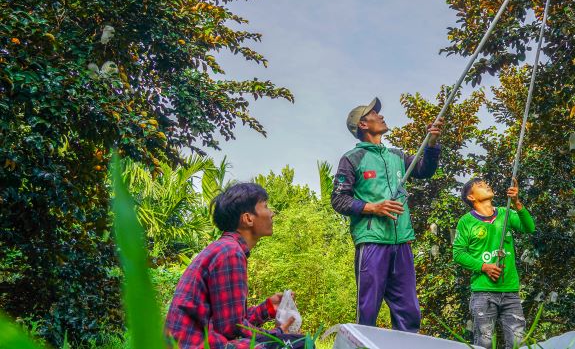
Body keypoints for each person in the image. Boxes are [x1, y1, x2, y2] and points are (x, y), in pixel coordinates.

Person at [330, 97, 442, 333]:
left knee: (408, 312)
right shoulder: (352, 159)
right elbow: (339, 199)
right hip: (372, 243)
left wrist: (431, 143)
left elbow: (425, 170)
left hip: (401, 242)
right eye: (374, 113)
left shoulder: (396, 156)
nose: (380, 116)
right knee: (368, 310)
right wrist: (374, 208)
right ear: (362, 124)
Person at [164, 183, 306, 349]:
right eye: (266, 206)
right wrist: (278, 334)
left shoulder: (225, 248)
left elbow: (231, 320)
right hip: (194, 345)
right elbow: (232, 329)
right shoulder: (230, 253)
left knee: (290, 341)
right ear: (248, 219)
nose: (272, 213)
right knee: (298, 344)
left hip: (194, 342)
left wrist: (268, 308)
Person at [453, 178, 536, 349]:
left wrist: (517, 202)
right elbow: (458, 254)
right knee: (485, 343)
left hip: (510, 291)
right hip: (483, 292)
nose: (487, 185)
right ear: (471, 197)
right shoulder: (465, 222)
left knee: (518, 343)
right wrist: (484, 267)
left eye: (486, 183)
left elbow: (529, 228)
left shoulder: (505, 214)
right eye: (480, 186)